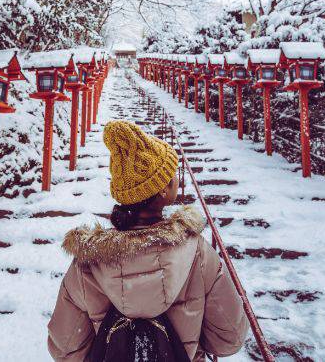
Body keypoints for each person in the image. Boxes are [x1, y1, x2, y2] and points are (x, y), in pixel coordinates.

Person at [48, 120, 249, 361]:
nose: (176, 178)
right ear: (163, 191)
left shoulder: (88, 263)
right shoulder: (197, 252)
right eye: (171, 174)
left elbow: (64, 349)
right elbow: (229, 339)